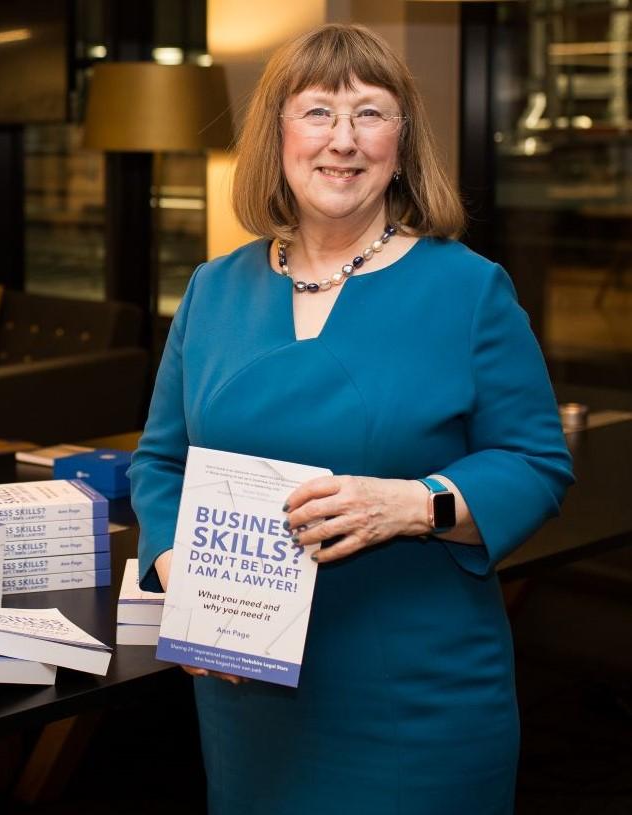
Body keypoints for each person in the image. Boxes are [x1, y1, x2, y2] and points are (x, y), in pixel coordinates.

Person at [127, 24, 573, 814]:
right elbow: (160, 462)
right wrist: (175, 570)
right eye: (316, 114)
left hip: (416, 697)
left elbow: (535, 461)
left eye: (369, 113)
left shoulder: (468, 289)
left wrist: (414, 502)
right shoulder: (212, 287)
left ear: (402, 141)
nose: (343, 141)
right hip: (246, 691)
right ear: (278, 136)